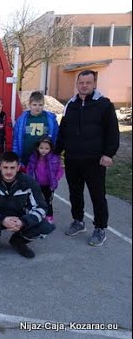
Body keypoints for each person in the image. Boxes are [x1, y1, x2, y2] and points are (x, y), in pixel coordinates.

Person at [55, 70, 120, 246]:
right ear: (77, 84)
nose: (84, 86)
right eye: (81, 82)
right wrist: (55, 151)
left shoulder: (104, 105)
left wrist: (109, 154)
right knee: (75, 193)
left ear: (94, 84)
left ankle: (100, 228)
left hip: (95, 160)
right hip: (72, 158)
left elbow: (113, 132)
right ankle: (78, 221)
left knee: (97, 195)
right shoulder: (71, 104)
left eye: (88, 82)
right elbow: (64, 130)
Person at [0, 151, 55, 258]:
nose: (9, 171)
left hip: (20, 218)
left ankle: (18, 241)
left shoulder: (29, 182)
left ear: (18, 167)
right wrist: (1, 220)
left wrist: (23, 221)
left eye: (12, 167)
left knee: (45, 227)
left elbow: (41, 207)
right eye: (5, 167)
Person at [13, 91, 59, 167]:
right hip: (26, 155)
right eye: (34, 105)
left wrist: (54, 154)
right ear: (29, 105)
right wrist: (16, 154)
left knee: (42, 177)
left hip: (43, 156)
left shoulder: (50, 119)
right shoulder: (22, 119)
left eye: (40, 105)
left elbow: (55, 136)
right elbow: (16, 139)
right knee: (27, 177)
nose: (37, 107)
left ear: (43, 105)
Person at [27, 136, 64, 224]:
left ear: (51, 148)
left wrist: (56, 178)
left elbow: (60, 170)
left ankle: (49, 217)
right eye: (41, 148)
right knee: (36, 200)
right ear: (37, 148)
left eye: (47, 148)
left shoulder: (54, 158)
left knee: (48, 201)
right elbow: (29, 168)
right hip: (37, 184)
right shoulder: (34, 157)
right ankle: (37, 215)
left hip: (49, 185)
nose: (44, 150)